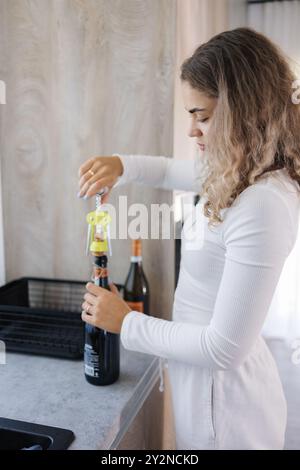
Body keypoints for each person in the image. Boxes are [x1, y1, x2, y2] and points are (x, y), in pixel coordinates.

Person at [78, 27, 300, 450]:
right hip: (203, 386)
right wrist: (118, 164)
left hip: (227, 409)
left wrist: (126, 322)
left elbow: (223, 349)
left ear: (245, 111)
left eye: (203, 115)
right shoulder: (240, 166)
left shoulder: (262, 204)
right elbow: (164, 171)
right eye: (189, 116)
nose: (191, 131)